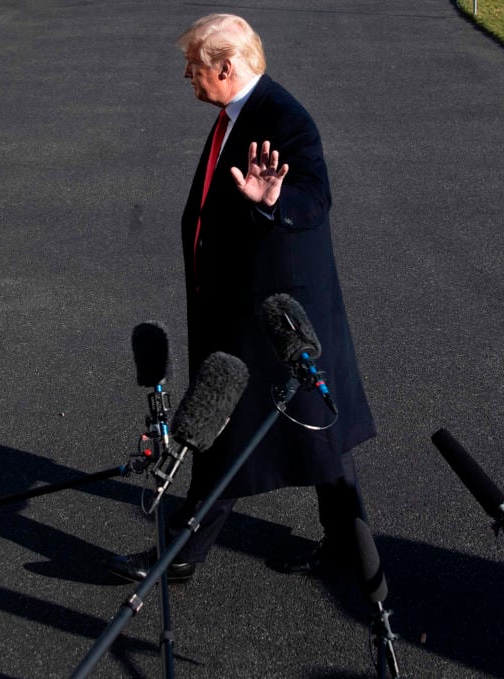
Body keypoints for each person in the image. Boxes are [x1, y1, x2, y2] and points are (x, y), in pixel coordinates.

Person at [105, 14, 376, 584]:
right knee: (319, 428)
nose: (186, 76)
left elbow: (314, 196)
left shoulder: (284, 117)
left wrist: (272, 201)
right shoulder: (237, 112)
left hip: (270, 309)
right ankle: (350, 546)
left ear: (225, 69)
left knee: (220, 429)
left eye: (194, 67)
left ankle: (179, 555)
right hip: (249, 301)